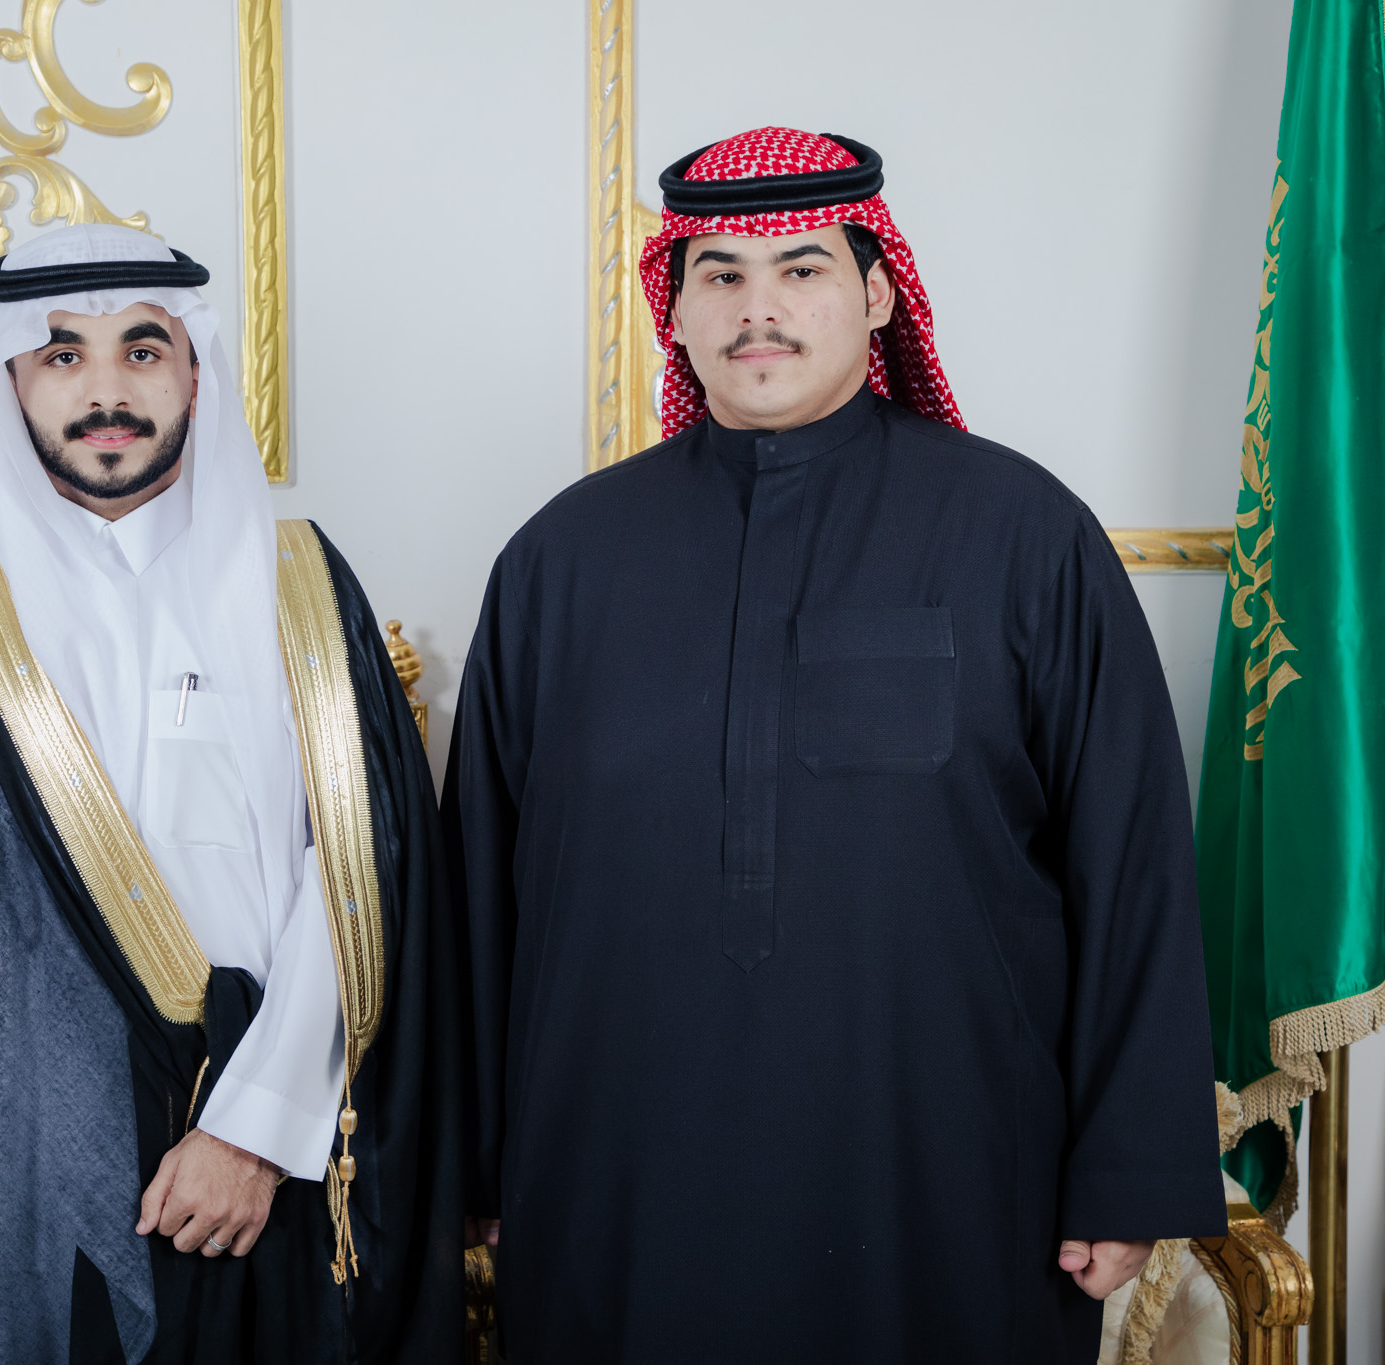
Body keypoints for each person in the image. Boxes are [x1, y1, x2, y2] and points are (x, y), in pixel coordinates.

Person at [443, 127, 1223, 1361]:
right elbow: (478, 890)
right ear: (675, 308)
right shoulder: (561, 560)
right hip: (619, 1176)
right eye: (719, 274)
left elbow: (1130, 862)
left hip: (944, 1170)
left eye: (799, 269)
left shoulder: (1021, 534)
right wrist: (474, 1157)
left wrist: (1127, 1168)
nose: (756, 309)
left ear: (875, 294)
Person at [0, 225, 461, 1364]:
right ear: (12, 384)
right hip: (17, 1155)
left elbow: (361, 876)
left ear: (196, 373)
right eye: (61, 356)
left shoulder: (299, 581)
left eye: (142, 351)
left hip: (265, 1153)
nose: (105, 393)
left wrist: (254, 1129)